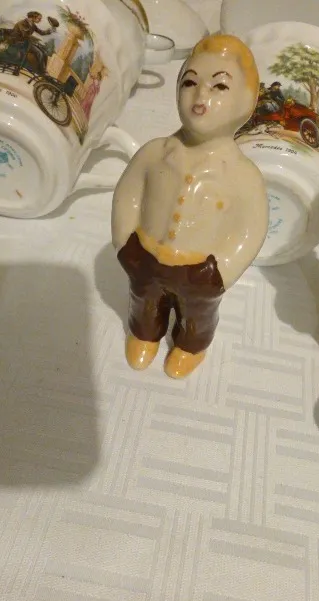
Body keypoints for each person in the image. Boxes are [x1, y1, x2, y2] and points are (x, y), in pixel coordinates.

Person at [111, 35, 269, 379]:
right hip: (146, 256)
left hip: (200, 271)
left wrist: (221, 272)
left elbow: (250, 229)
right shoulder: (155, 152)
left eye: (219, 87)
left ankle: (190, 346)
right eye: (190, 83)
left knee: (198, 316)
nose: (200, 98)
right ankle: (144, 334)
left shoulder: (244, 175)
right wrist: (125, 244)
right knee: (144, 303)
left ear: (247, 100)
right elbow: (128, 195)